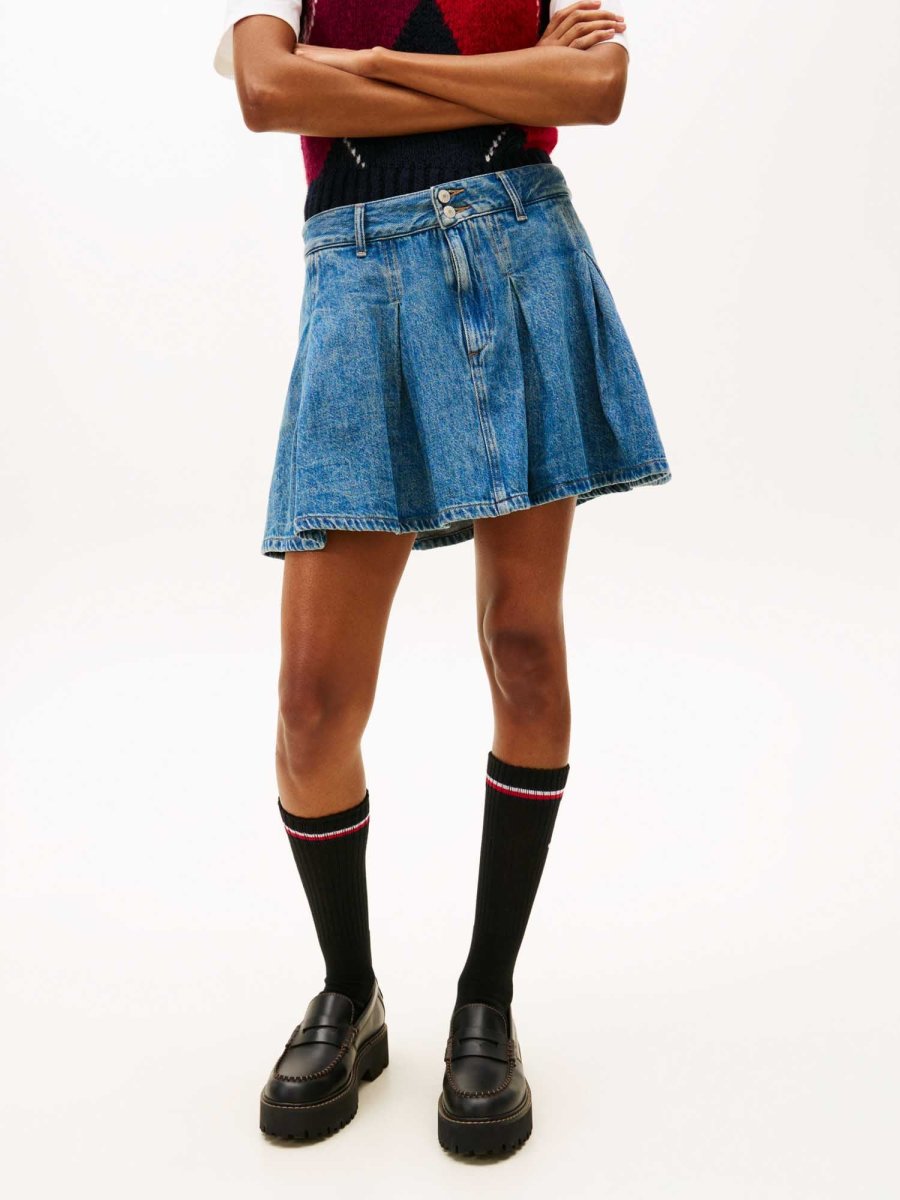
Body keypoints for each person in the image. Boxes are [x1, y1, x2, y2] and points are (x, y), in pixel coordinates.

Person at [213, 0, 670, 1156]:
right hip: (360, 275)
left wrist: (362, 68)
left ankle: (486, 1002)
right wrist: (515, 76)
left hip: (525, 250)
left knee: (525, 648)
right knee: (312, 705)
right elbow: (269, 93)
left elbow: (595, 90)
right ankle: (350, 990)